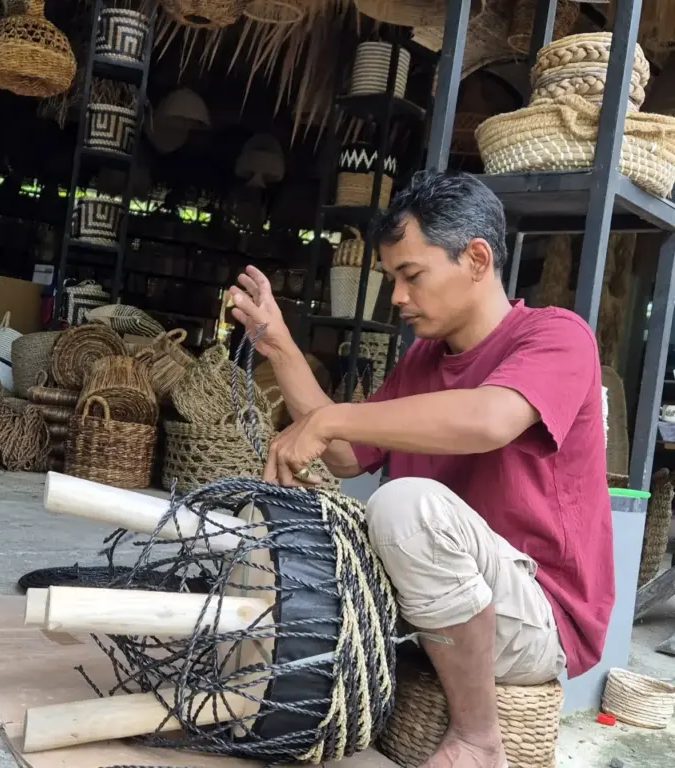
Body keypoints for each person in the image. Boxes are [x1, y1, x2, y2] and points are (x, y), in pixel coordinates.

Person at [229, 170, 614, 768]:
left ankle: (478, 740)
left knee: (403, 507)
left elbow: (489, 420)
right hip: (449, 600)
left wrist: (333, 421)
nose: (399, 297)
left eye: (412, 275)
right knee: (296, 534)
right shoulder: (424, 359)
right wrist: (276, 344)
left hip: (538, 615)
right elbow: (347, 455)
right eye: (392, 279)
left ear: (477, 259)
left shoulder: (556, 336)